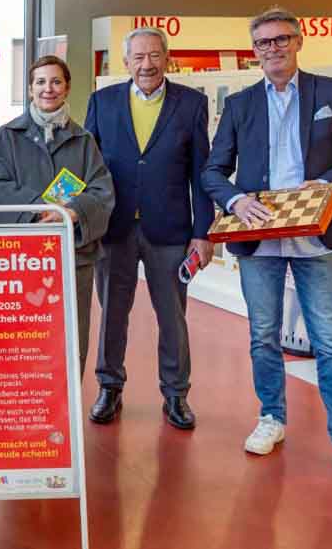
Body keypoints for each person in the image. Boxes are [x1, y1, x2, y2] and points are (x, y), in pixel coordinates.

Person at [202, 6, 332, 484]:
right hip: (259, 239)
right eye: (264, 43)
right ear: (254, 51)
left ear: (298, 42)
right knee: (263, 335)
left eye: (281, 40)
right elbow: (213, 171)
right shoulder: (240, 106)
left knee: (330, 343)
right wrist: (236, 200)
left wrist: (326, 186)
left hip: (316, 237)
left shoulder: (331, 92)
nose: (273, 49)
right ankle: (271, 418)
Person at [84, 27, 214, 430]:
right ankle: (110, 387)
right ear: (126, 62)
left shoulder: (191, 104)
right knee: (112, 315)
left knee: (172, 316)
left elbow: (201, 173)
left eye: (154, 55)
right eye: (138, 57)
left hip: (170, 230)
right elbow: (88, 168)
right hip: (114, 227)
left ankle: (175, 394)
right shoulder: (102, 102)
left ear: (166, 57)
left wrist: (203, 231)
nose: (147, 64)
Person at [0, 55, 115, 376]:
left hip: (73, 257)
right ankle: (25, 409)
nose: (48, 89)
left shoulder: (84, 141)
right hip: (21, 259)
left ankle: (66, 415)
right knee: (22, 337)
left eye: (56, 82)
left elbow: (103, 191)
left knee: (71, 337)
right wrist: (37, 212)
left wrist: (71, 213)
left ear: (67, 88)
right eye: (40, 82)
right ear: (30, 89)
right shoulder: (7, 137)